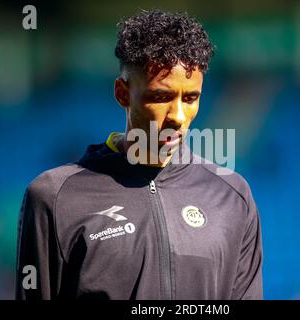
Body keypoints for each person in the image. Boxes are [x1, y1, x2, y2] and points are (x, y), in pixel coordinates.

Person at [16, 9, 263, 300]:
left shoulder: (233, 196)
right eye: (161, 97)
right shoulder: (53, 198)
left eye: (191, 98)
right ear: (123, 94)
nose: (178, 116)